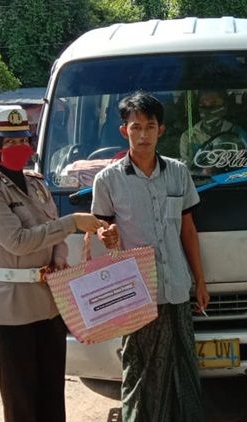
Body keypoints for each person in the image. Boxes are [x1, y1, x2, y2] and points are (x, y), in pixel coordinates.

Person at [0, 105, 106, 422]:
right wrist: (72, 223)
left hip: (48, 306)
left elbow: (52, 231)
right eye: (9, 142)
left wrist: (60, 257)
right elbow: (19, 241)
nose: (18, 148)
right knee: (21, 405)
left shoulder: (36, 183)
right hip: (10, 312)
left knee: (51, 399)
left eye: (22, 140)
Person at [91, 91, 210, 421]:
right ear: (124, 131)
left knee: (182, 365)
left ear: (162, 130)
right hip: (136, 294)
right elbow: (101, 229)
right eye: (135, 127)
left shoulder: (178, 173)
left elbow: (187, 229)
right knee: (140, 371)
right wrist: (106, 235)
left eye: (150, 126)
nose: (143, 135)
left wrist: (200, 280)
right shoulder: (108, 180)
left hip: (175, 288)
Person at [179, 89, 247, 176]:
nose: (208, 110)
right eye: (203, 105)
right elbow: (186, 170)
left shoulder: (238, 133)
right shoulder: (188, 136)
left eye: (214, 105)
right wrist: (202, 172)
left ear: (225, 108)